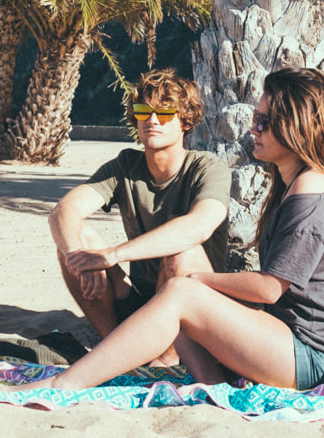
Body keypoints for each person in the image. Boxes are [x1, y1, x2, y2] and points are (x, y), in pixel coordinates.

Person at [15, 67, 324, 393]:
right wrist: (84, 256)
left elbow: (268, 288)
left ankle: (63, 385)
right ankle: (210, 386)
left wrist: (195, 281)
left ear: (296, 126)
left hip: (319, 357)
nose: (253, 129)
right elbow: (65, 211)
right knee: (177, 288)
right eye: (255, 119)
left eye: (263, 122)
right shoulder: (294, 183)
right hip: (293, 341)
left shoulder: (311, 189)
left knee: (182, 290)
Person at [50, 68, 231, 360]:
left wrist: (112, 255)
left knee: (182, 253)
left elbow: (199, 226)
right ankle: (116, 351)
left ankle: (166, 361)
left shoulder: (208, 168)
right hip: (140, 300)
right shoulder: (126, 165)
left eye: (165, 112)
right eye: (143, 111)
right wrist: (78, 258)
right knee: (77, 240)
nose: (152, 120)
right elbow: (64, 210)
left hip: (197, 306)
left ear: (185, 121)